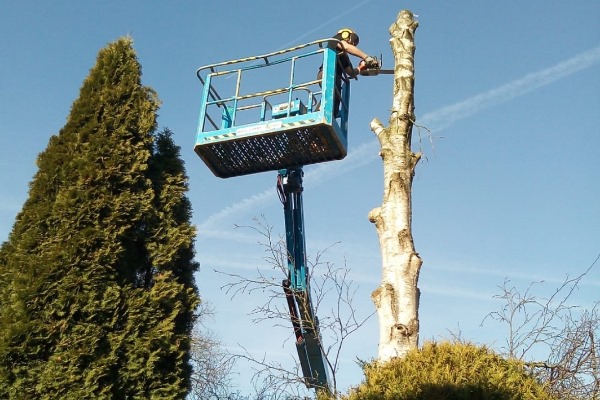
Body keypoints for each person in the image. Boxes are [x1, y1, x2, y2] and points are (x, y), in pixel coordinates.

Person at [317, 28, 378, 117]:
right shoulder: (336, 40)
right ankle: (319, 114)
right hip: (327, 73)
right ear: (346, 35)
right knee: (331, 97)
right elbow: (347, 47)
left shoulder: (343, 56)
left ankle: (321, 119)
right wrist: (367, 57)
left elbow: (351, 73)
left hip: (335, 77)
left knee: (335, 104)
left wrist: (361, 67)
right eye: (354, 39)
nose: (353, 43)